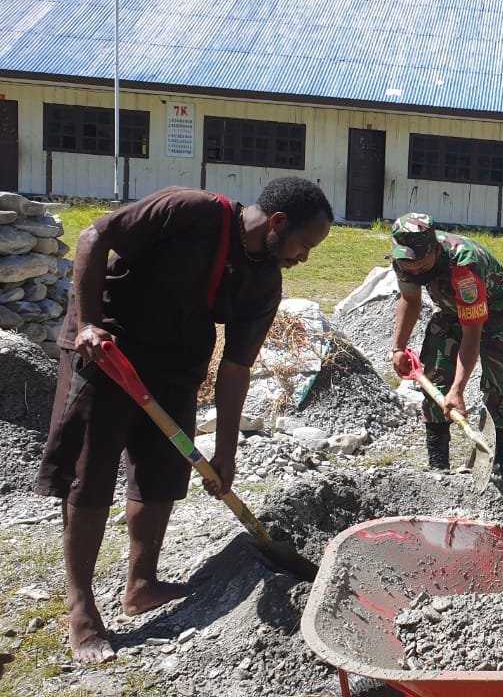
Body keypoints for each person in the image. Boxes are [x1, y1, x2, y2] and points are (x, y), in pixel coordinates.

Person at [37, 177, 334, 663]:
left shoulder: (264, 283)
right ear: (278, 222)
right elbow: (94, 237)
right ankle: (82, 608)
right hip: (107, 349)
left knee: (162, 473)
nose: (303, 258)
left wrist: (227, 454)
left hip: (175, 365)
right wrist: (89, 323)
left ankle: (141, 584)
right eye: (305, 245)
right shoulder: (191, 210)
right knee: (89, 475)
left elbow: (236, 368)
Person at [388, 213, 503, 477]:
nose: (415, 272)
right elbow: (410, 299)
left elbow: (472, 333)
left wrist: (458, 390)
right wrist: (398, 347)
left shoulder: (465, 266)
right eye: (408, 267)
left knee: (499, 383)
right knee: (435, 376)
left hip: (496, 313)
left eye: (420, 266)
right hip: (450, 310)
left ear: (434, 250)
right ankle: (438, 466)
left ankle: (502, 462)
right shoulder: (405, 261)